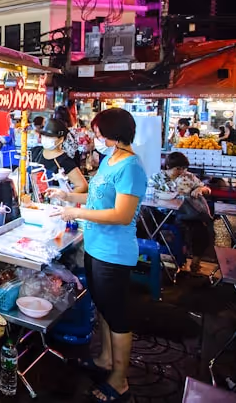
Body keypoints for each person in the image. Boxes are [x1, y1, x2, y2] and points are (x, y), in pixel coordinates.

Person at [46, 108, 147, 403]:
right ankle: (105, 359)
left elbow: (121, 214)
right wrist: (68, 197)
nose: (95, 138)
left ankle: (120, 379)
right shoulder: (110, 160)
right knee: (102, 308)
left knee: (117, 316)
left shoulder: (130, 167)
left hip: (114, 254)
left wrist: (75, 211)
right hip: (95, 247)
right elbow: (96, 198)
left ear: (115, 135)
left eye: (100, 133)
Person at [157, 152, 212, 273]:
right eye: (178, 168)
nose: (182, 171)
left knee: (201, 230)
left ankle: (195, 263)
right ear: (168, 167)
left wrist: (199, 189)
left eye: (184, 168)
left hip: (186, 214)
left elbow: (207, 189)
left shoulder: (189, 177)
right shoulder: (157, 178)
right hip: (164, 214)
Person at [31, 118, 88, 194]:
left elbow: (82, 185)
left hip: (52, 203)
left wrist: (64, 198)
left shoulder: (65, 161)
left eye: (50, 136)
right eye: (44, 135)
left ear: (61, 139)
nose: (46, 138)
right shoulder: (35, 151)